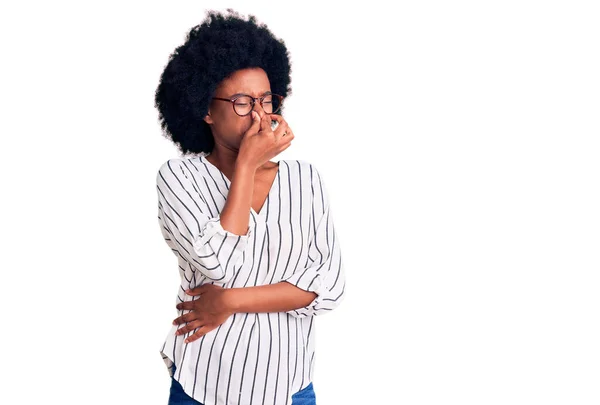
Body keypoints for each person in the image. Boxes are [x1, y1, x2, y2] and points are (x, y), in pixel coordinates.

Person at [154, 9, 346, 405]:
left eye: (266, 99)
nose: (259, 114)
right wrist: (247, 165)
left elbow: (328, 287)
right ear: (206, 109)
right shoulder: (178, 177)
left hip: (289, 388)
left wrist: (228, 301)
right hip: (203, 385)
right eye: (242, 102)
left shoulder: (305, 179)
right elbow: (218, 264)